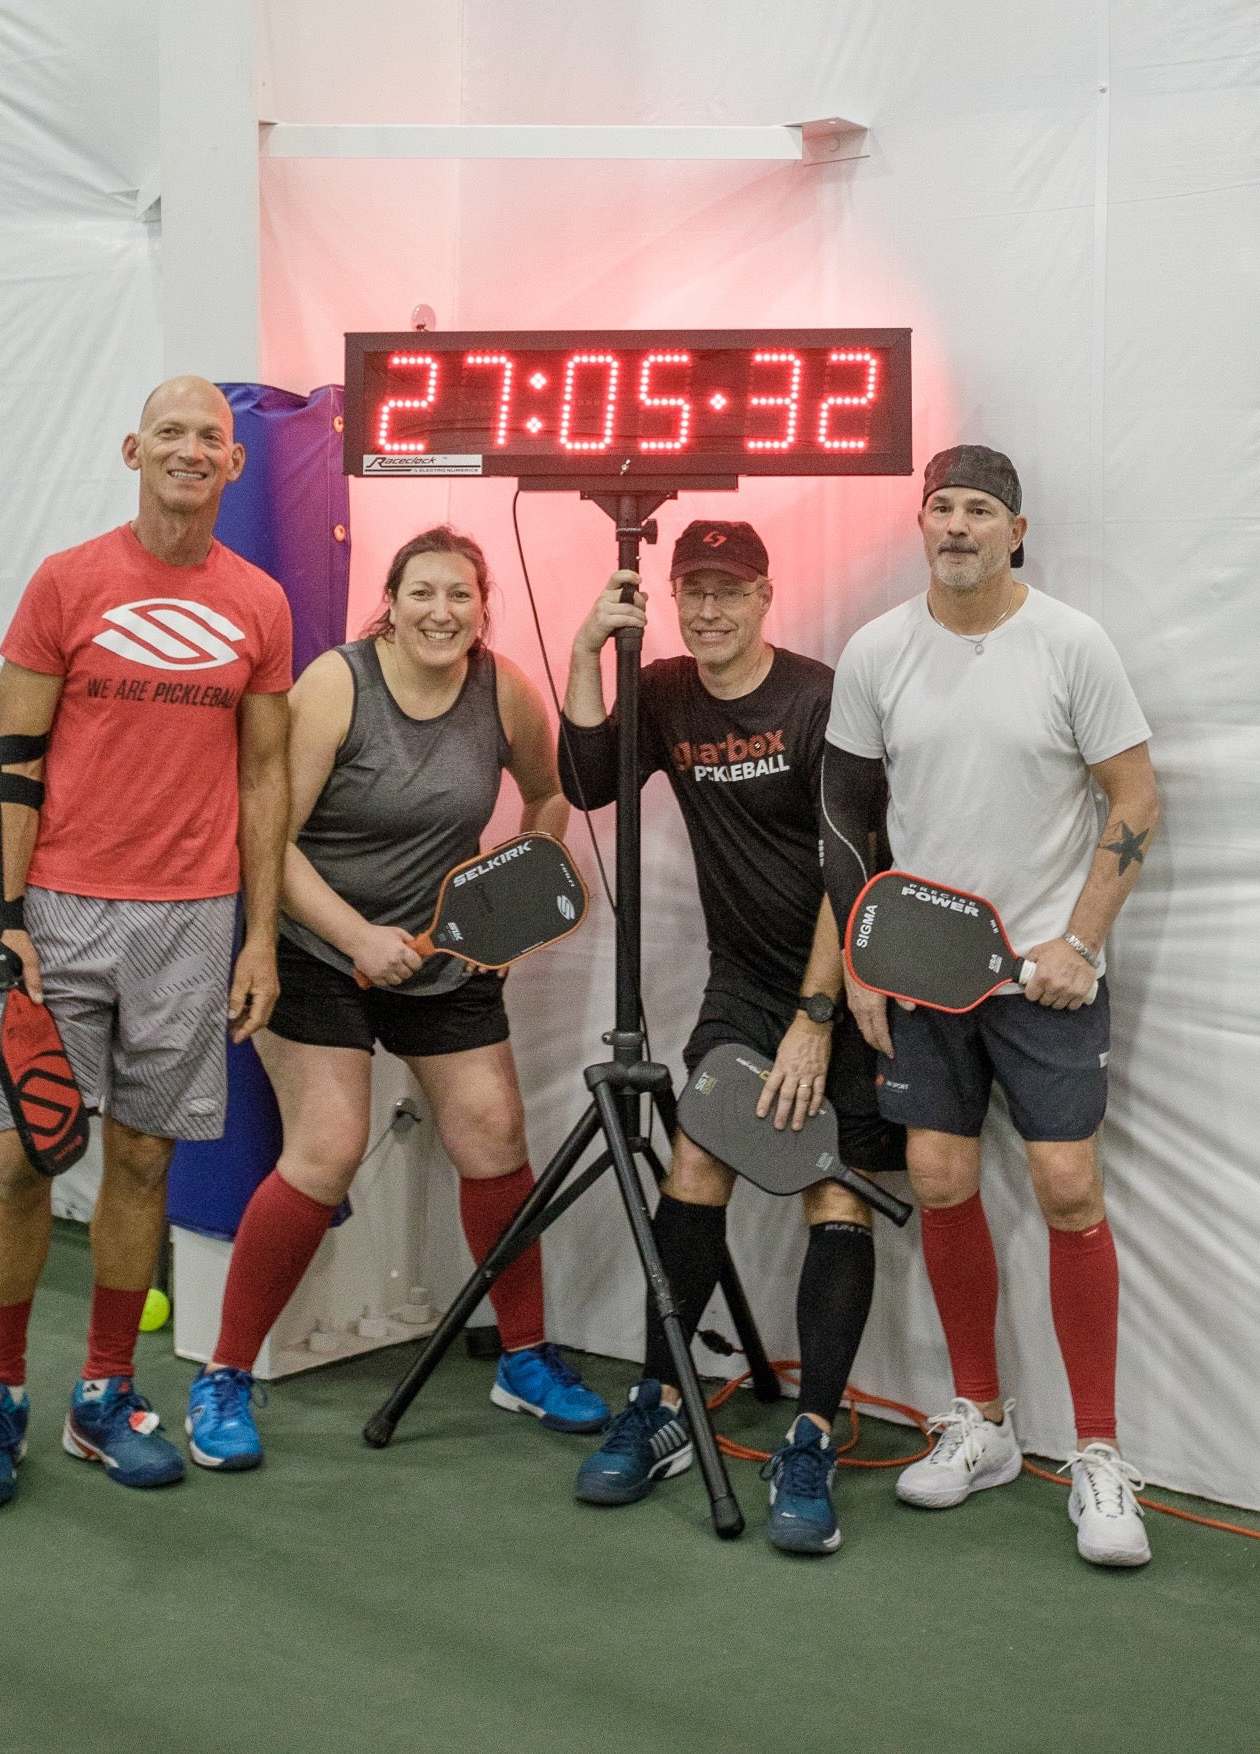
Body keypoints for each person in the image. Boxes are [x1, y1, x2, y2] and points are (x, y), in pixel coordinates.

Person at [183, 525, 609, 1470]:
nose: (442, 611)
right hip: (312, 945)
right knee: (327, 1147)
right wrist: (355, 940)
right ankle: (224, 1375)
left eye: (460, 594)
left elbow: (548, 799)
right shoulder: (338, 685)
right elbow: (269, 837)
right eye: (423, 593)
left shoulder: (502, 690)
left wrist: (508, 905)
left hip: (436, 957)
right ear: (392, 599)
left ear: (483, 605)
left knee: (495, 1131)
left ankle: (525, 1359)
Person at [0, 377, 292, 1510]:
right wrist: (4, 928)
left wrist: (260, 937)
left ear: (234, 467)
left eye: (214, 439)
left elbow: (265, 776)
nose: (193, 451)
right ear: (134, 449)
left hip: (194, 920)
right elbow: (14, 760)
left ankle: (105, 1393)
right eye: (174, 433)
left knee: (143, 1159)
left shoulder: (260, 602)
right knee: (20, 1158)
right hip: (63, 909)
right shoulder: (68, 580)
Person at [819, 444, 1163, 1567]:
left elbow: (1135, 792)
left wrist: (1080, 938)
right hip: (919, 972)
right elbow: (841, 816)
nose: (955, 525)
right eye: (940, 508)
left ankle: (1100, 1456)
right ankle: (981, 1421)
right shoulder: (878, 649)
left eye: (978, 510)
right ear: (920, 526)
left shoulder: (1069, 643)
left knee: (1067, 1186)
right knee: (936, 1175)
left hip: (1043, 976)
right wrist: (862, 960)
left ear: (1016, 530)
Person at [558, 519, 907, 1557]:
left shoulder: (814, 695)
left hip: (838, 977)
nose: (707, 610)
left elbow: (849, 862)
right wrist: (584, 653)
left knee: (834, 1191)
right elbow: (584, 783)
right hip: (738, 984)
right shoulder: (662, 691)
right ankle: (662, 1400)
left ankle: (809, 1436)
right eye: (689, 591)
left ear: (764, 595)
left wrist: (816, 1017)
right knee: (696, 1162)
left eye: (728, 591)